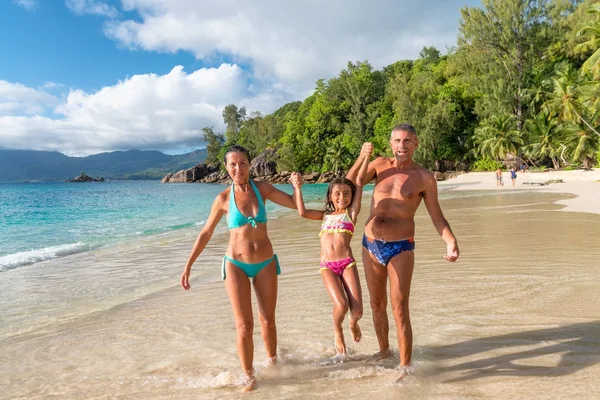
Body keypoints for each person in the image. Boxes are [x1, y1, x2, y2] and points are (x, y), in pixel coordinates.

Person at [346, 124, 460, 382]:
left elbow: (437, 216)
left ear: (416, 143)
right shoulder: (379, 165)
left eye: (407, 141)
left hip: (401, 247)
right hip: (370, 243)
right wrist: (362, 157)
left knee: (399, 309)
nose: (402, 145)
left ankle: (405, 367)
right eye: (397, 140)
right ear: (390, 143)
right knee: (377, 305)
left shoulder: (424, 177)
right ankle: (384, 351)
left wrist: (450, 241)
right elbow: (350, 184)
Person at [180, 145, 297, 392]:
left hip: (265, 263)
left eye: (242, 163)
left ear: (249, 164)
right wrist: (188, 266)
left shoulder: (262, 189)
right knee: (244, 325)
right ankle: (249, 376)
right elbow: (206, 233)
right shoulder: (223, 199)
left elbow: (294, 204)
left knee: (269, 321)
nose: (238, 168)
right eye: (232, 164)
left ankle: (273, 363)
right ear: (226, 167)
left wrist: (297, 186)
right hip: (235, 264)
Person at [289, 166, 367, 357]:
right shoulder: (324, 216)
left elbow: (359, 182)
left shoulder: (351, 214)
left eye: (347, 193)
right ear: (330, 196)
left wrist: (365, 158)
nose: (342, 197)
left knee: (357, 310)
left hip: (347, 263)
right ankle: (338, 331)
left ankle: (352, 323)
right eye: (337, 193)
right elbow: (302, 212)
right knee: (341, 305)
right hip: (328, 267)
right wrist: (297, 188)